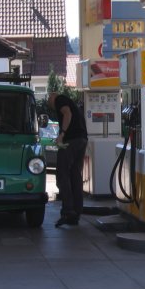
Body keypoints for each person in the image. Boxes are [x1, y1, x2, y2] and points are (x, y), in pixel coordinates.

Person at [47, 92, 88, 227]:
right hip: (81, 140)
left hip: (71, 141)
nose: (52, 107)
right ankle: (76, 212)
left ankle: (68, 210)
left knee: (62, 174)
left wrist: (62, 134)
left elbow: (67, 113)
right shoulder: (72, 103)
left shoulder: (60, 99)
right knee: (75, 175)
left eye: (50, 103)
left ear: (52, 97)